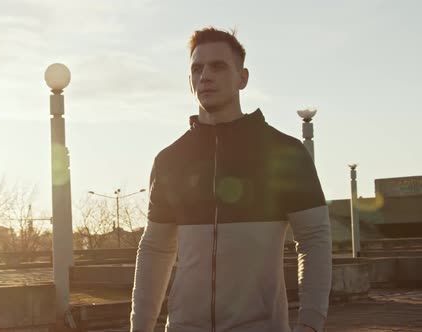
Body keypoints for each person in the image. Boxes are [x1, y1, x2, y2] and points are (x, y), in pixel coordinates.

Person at [130, 27, 332, 332]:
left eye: (218, 66)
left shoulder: (284, 152)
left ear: (243, 78)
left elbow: (314, 238)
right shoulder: (169, 160)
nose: (205, 76)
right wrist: (139, 327)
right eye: (197, 69)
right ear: (189, 81)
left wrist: (312, 323)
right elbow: (156, 249)